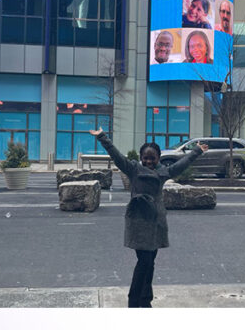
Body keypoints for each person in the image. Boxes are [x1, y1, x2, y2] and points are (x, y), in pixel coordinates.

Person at [89, 128, 207, 307]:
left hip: (156, 222)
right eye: (145, 157)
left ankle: (145, 300)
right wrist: (102, 137)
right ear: (140, 157)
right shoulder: (133, 169)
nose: (148, 161)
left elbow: (181, 165)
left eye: (152, 158)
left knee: (150, 262)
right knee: (144, 262)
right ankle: (134, 301)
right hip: (138, 222)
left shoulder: (163, 173)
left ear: (159, 158)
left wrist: (196, 151)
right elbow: (117, 156)